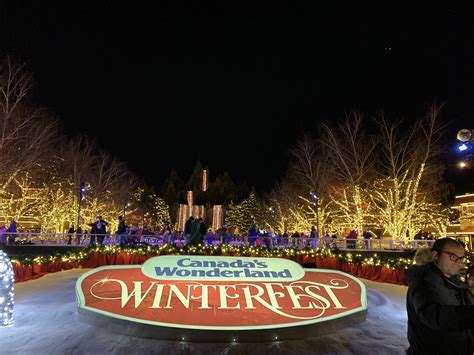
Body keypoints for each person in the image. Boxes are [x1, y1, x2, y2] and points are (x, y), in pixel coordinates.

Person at [405, 237, 474, 354]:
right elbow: (433, 315)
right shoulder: (423, 282)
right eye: (453, 257)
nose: (459, 263)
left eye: (462, 258)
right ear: (436, 255)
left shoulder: (454, 281)